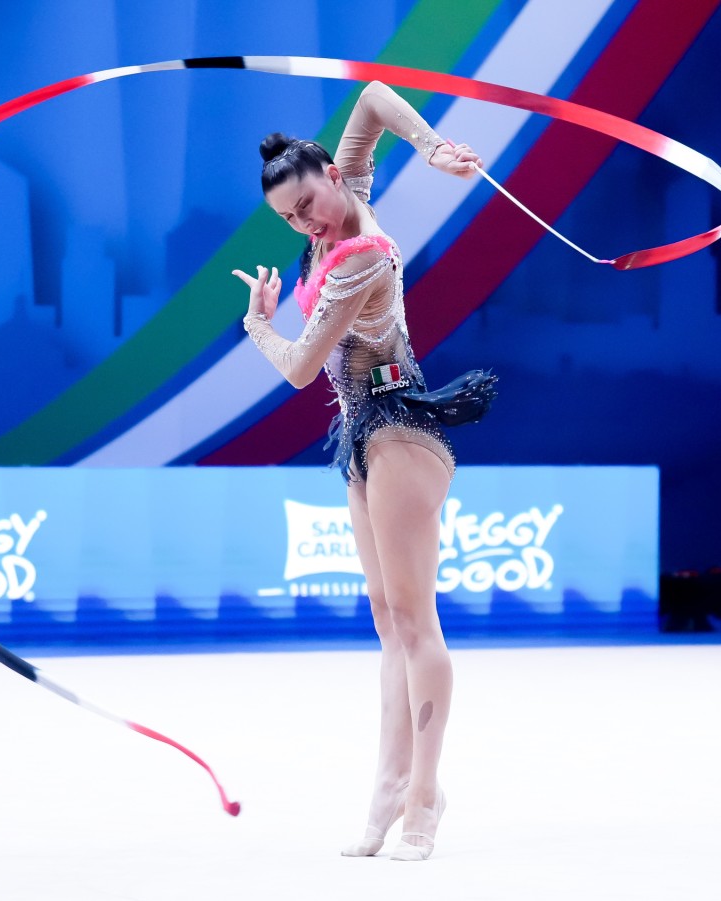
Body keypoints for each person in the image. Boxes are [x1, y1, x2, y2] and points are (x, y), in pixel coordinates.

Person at [231, 80, 498, 861]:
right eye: (290, 218)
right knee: (388, 621)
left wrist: (257, 325)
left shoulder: (361, 259)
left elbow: (298, 367)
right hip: (361, 433)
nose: (306, 223)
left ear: (332, 179)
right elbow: (376, 98)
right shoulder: (340, 193)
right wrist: (433, 147)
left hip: (400, 432)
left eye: (308, 205)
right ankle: (390, 786)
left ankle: (424, 797)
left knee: (415, 622)